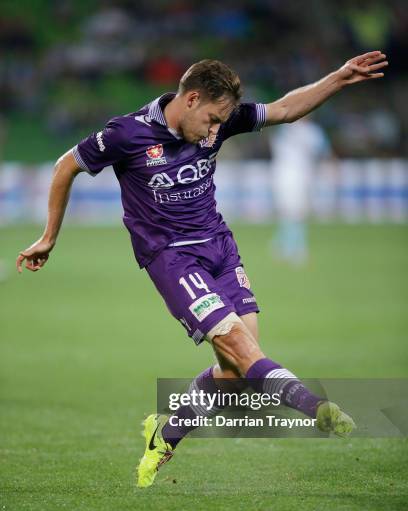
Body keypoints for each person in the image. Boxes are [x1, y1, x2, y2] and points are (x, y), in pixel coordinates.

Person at [16, 52, 388, 488]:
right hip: (171, 258)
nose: (216, 131)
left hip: (220, 249)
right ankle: (318, 409)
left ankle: (166, 433)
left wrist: (340, 78)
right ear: (190, 99)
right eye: (212, 120)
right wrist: (49, 236)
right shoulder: (127, 134)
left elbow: (286, 108)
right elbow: (66, 166)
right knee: (241, 349)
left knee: (235, 375)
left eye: (222, 123)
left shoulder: (220, 118)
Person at [269, 116, 332, 264]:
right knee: (293, 212)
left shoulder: (308, 131)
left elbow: (324, 150)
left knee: (296, 212)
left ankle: (282, 245)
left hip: (301, 176)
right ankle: (295, 249)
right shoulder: (288, 129)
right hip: (286, 175)